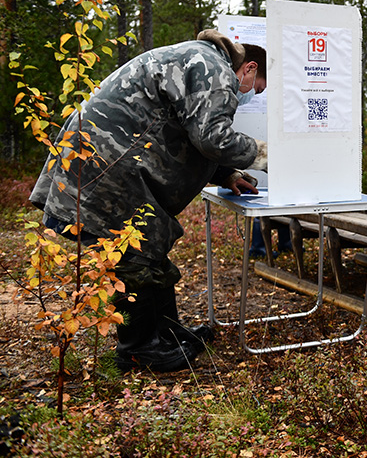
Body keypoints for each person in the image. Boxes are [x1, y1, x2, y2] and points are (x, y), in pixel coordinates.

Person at [30, 30, 268, 371]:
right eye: (254, 88)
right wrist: (266, 155)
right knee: (133, 256)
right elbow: (211, 136)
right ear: (248, 68)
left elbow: (183, 133)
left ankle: (166, 334)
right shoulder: (214, 66)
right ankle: (139, 349)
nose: (248, 96)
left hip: (105, 160)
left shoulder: (198, 57)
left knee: (150, 248)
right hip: (107, 166)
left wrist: (226, 175)